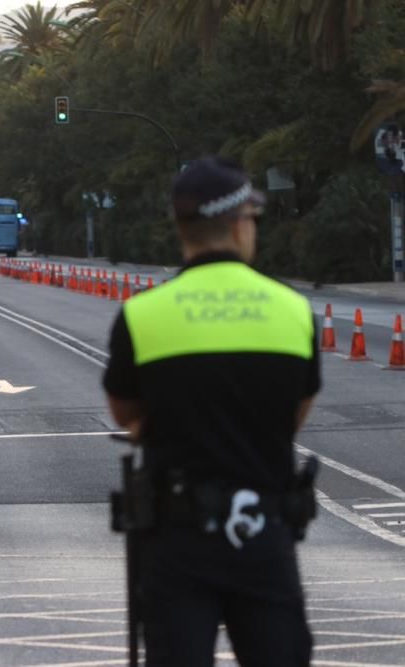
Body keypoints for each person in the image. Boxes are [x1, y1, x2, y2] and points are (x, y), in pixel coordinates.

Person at [102, 156, 319, 666]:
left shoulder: (143, 315)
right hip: (265, 534)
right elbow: (293, 417)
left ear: (181, 227)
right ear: (242, 222)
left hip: (176, 543)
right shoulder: (291, 310)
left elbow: (124, 412)